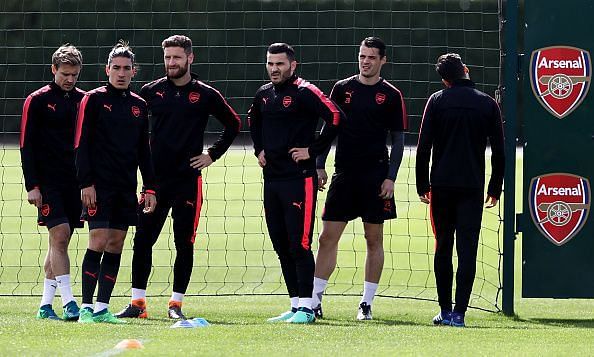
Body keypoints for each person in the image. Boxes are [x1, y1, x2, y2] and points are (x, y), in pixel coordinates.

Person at [115, 35, 241, 320]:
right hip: (155, 183)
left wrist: (212, 154)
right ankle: (138, 304)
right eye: (168, 58)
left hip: (188, 182)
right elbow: (130, 123)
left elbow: (234, 123)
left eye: (177, 57)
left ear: (190, 58)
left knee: (184, 243)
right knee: (143, 240)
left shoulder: (205, 94)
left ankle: (176, 304)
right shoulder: (150, 91)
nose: (171, 63)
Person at [312, 37, 407, 321]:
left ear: (382, 61)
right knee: (327, 238)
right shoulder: (342, 89)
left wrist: (391, 177)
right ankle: (314, 301)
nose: (365, 61)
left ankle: (366, 304)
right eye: (362, 56)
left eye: (371, 57)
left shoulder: (391, 95)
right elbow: (328, 129)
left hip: (376, 177)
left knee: (373, 238)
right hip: (344, 175)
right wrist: (319, 165)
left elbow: (399, 141)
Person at [248, 43, 343, 324]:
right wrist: (258, 149)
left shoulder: (306, 91)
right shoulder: (263, 94)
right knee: (281, 245)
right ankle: (295, 304)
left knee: (299, 244)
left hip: (299, 180)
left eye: (279, 64)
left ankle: (308, 308)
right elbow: (253, 120)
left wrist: (312, 151)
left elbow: (336, 116)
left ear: (293, 65)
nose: (274, 69)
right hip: (272, 180)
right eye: (270, 63)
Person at [415, 53, 504, 327]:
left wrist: (422, 184)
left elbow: (423, 147)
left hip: (441, 187)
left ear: (444, 79)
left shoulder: (437, 101)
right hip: (472, 187)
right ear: (466, 70)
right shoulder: (487, 103)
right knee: (468, 250)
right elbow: (499, 152)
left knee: (442, 247)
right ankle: (460, 314)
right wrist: (495, 187)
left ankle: (444, 310)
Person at [74, 41, 157, 324]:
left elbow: (143, 152)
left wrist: (150, 187)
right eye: (116, 68)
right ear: (107, 69)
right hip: (99, 185)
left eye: (126, 69)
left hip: (125, 186)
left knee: (117, 244)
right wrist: (86, 182)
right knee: (97, 240)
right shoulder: (94, 99)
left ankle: (102, 308)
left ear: (134, 72)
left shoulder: (139, 105)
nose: (121, 73)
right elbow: (81, 143)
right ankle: (86, 306)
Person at [20, 44, 85, 321]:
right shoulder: (36, 100)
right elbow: (26, 145)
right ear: (53, 69)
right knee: (58, 236)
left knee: (60, 243)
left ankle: (45, 306)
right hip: (48, 183)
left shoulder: (84, 100)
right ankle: (70, 302)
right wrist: (32, 185)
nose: (69, 79)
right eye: (65, 74)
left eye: (74, 74)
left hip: (76, 183)